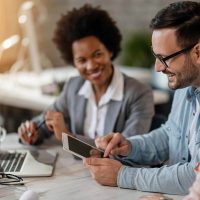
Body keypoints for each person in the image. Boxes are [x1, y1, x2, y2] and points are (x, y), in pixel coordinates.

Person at [83, 1, 200, 195]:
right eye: (155, 56)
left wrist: (123, 176)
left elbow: (195, 177)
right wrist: (130, 147)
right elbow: (171, 134)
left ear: (197, 52)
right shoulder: (186, 83)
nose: (158, 67)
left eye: (165, 58)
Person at [18, 4, 154, 145]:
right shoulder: (74, 87)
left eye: (97, 54)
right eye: (82, 60)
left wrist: (67, 137)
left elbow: (128, 151)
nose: (91, 66)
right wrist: (31, 132)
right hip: (75, 166)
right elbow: (44, 123)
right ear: (73, 63)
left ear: (110, 51)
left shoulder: (139, 94)